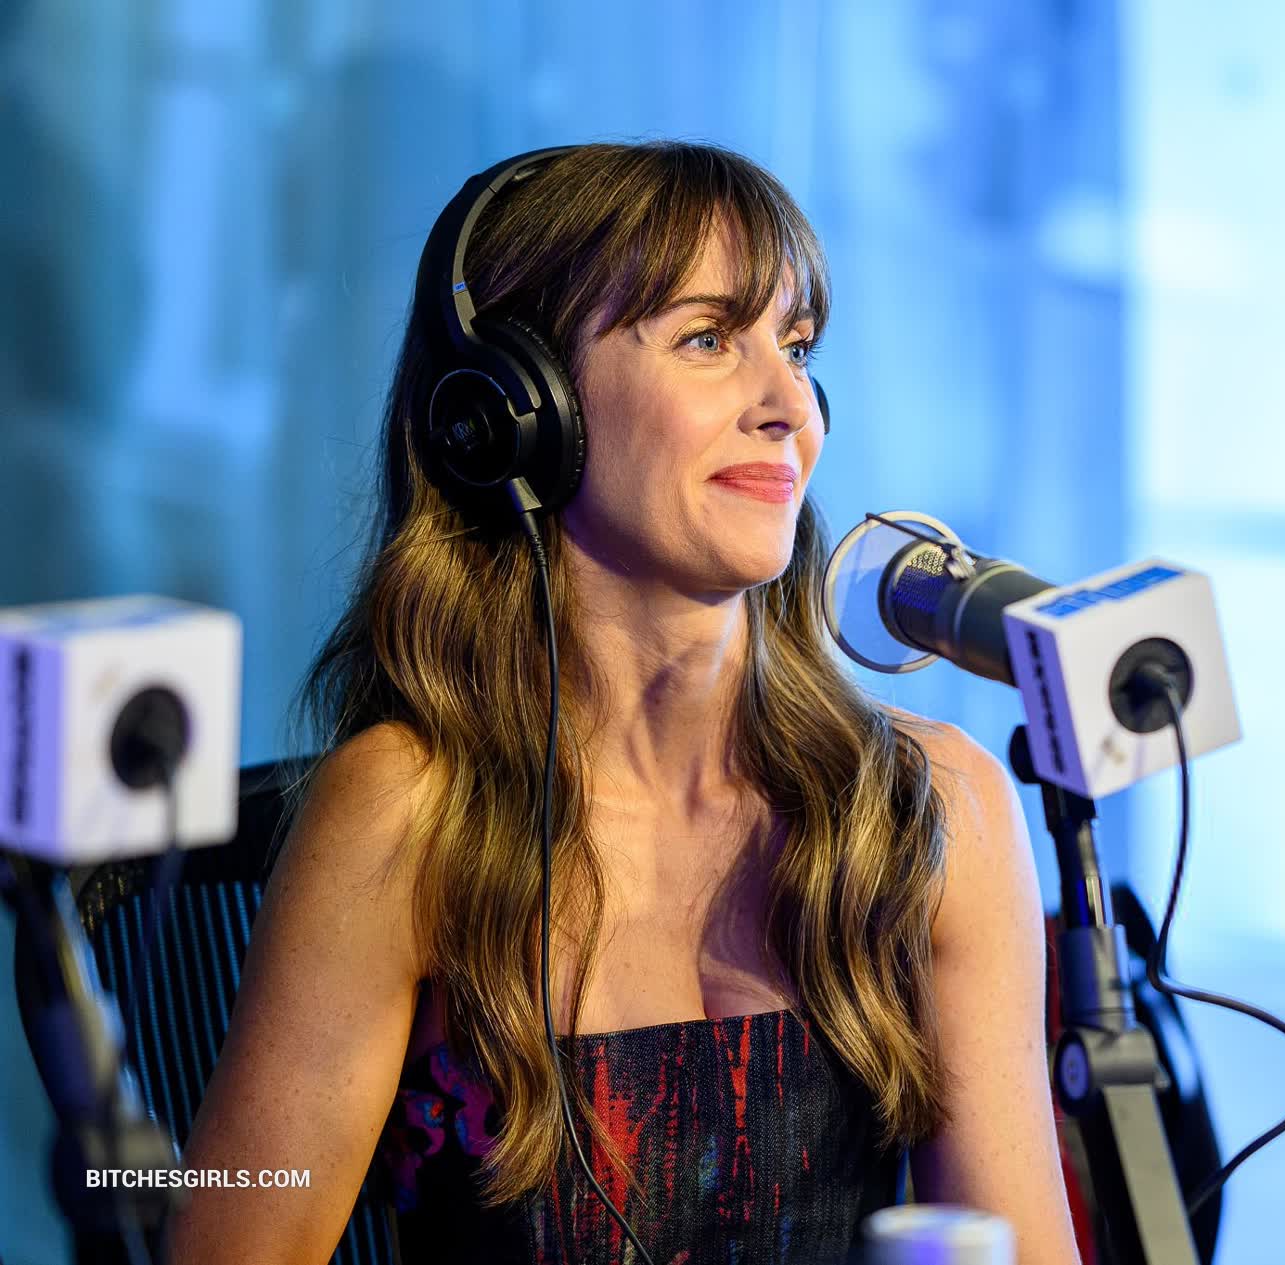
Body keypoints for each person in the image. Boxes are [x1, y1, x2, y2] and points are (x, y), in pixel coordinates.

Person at [165, 141, 1081, 1265]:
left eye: (795, 347)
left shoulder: (933, 809)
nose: (788, 404)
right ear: (522, 410)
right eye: (708, 339)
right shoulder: (407, 815)